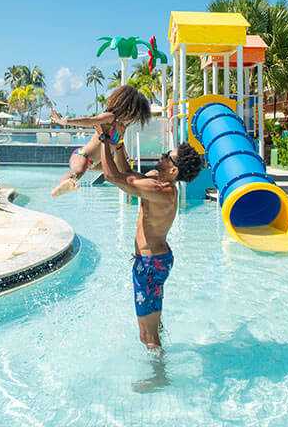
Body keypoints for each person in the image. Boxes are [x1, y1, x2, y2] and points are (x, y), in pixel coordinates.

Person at [96, 123, 203, 348]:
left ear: (174, 170)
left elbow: (112, 176)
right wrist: (119, 144)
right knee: (153, 323)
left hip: (150, 263)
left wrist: (103, 139)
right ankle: (159, 360)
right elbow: (127, 174)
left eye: (168, 156)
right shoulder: (157, 181)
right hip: (154, 261)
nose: (162, 156)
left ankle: (158, 377)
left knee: (147, 335)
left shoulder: (162, 191)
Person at [49, 85, 151, 197]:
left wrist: (125, 155)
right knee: (78, 171)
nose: (133, 119)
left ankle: (138, 190)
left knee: (121, 171)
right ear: (126, 108)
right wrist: (66, 122)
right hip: (83, 156)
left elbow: (119, 144)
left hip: (96, 163)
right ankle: (63, 185)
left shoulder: (122, 127)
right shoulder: (110, 117)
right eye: (133, 115)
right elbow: (90, 121)